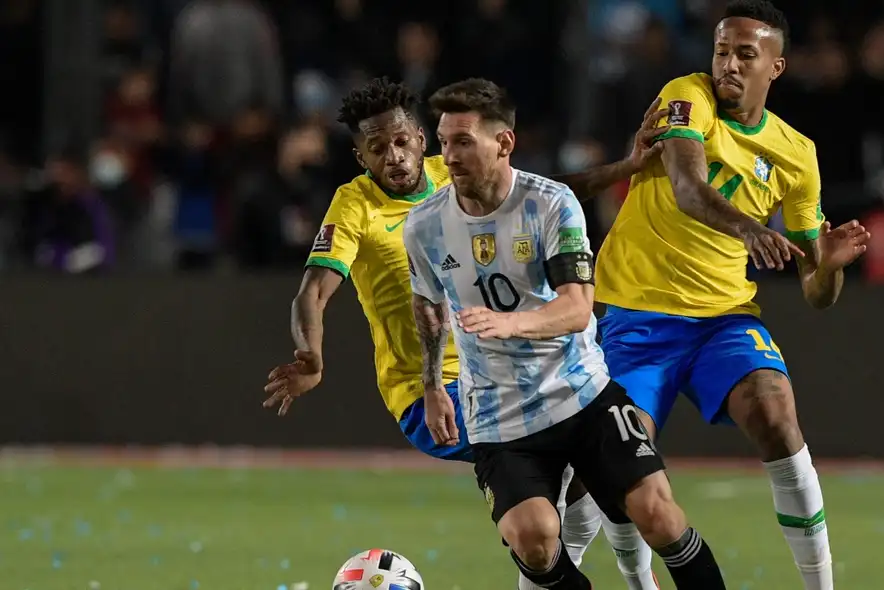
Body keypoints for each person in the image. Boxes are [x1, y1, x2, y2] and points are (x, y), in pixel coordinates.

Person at [262, 77, 668, 589]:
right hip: (433, 393)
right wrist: (311, 355)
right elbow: (312, 292)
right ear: (360, 157)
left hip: (511, 366)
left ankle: (633, 579)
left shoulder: (452, 170)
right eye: (377, 148)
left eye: (402, 140)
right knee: (566, 468)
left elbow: (544, 190)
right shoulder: (354, 207)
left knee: (587, 460)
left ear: (422, 138)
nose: (394, 156)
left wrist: (626, 168)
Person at [404, 77, 727, 590]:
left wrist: (509, 324)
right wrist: (430, 384)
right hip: (497, 414)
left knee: (658, 513)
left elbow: (578, 309)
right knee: (533, 539)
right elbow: (426, 303)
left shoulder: (551, 204)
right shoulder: (423, 225)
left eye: (463, 141)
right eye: (443, 142)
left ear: (503, 142)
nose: (449, 156)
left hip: (581, 395)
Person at [594, 2, 872, 589]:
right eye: (722, 50)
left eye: (746, 54)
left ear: (776, 67)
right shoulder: (686, 96)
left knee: (775, 412)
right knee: (623, 466)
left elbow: (817, 293)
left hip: (723, 320)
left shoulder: (797, 155)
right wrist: (750, 228)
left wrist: (828, 267)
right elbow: (690, 187)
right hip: (636, 319)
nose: (729, 64)